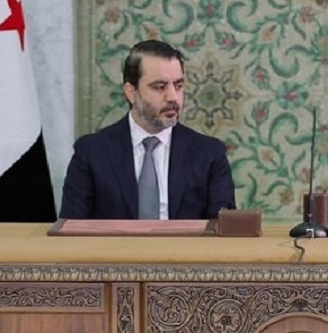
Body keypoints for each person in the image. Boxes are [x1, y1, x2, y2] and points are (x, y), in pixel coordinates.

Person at [60, 40, 236, 219]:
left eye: (178, 86)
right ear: (131, 92)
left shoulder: (209, 154)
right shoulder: (91, 152)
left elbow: (224, 230)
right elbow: (71, 227)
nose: (173, 97)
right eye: (160, 87)